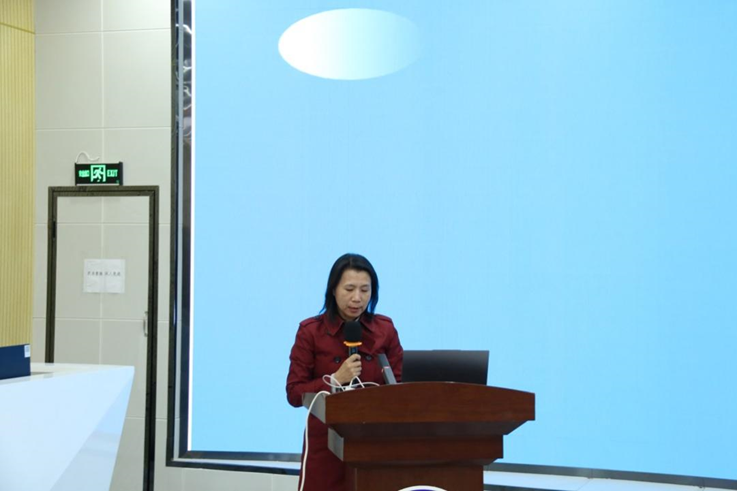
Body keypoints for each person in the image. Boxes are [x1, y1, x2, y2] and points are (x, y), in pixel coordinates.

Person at [286, 253, 403, 491]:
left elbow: (400, 388)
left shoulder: (384, 330)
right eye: (349, 289)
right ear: (333, 289)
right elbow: (294, 393)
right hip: (326, 444)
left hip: (373, 443)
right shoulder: (310, 332)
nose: (357, 298)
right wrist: (334, 380)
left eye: (365, 290)